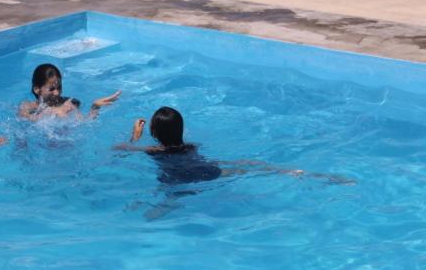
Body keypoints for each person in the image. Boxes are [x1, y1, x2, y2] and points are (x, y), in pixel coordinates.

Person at [117, 106, 354, 219]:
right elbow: (177, 143)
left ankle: (147, 219)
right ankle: (297, 172)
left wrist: (134, 136)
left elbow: (121, 149)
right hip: (209, 171)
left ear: (154, 132)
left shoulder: (153, 151)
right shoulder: (192, 145)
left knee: (167, 203)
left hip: (178, 181)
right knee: (251, 166)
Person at [18, 63, 122, 121]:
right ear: (37, 89)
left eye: (59, 87)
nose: (57, 93)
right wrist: (51, 112)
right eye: (51, 89)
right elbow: (23, 119)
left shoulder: (69, 103)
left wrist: (95, 106)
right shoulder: (28, 106)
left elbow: (85, 123)